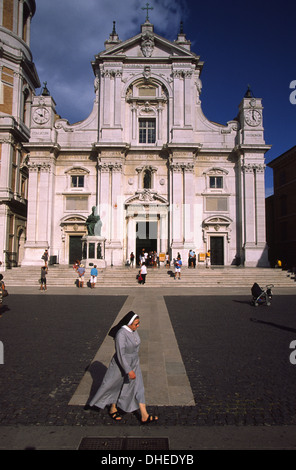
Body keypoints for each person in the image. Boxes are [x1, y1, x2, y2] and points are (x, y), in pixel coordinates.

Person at [88, 311, 158, 424]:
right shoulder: (121, 334)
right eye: (136, 324)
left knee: (139, 386)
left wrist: (134, 363)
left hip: (134, 362)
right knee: (114, 385)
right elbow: (120, 354)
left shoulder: (134, 331)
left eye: (138, 323)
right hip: (121, 364)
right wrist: (128, 370)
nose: (138, 325)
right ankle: (112, 408)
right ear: (129, 323)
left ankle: (144, 414)